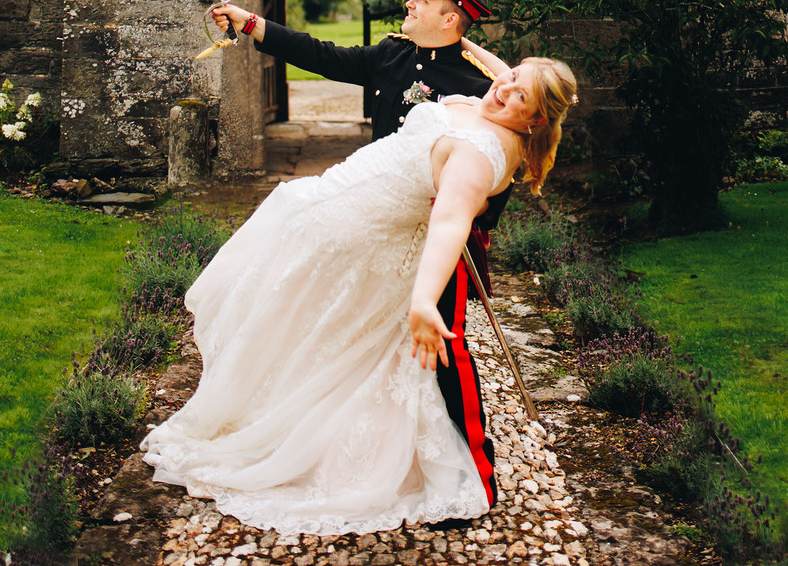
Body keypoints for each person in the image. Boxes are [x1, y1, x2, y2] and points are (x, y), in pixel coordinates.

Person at [142, 53, 578, 536]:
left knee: (331, 343)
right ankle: (272, 412)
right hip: (335, 205)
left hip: (367, 244)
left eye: (519, 94)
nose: (503, 88)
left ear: (536, 117)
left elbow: (451, 221)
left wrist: (423, 300)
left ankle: (312, 444)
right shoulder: (498, 103)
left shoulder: (483, 154)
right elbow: (511, 80)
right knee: (309, 333)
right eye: (510, 76)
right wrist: (512, 71)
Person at [211, 0, 513, 503]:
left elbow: (498, 162)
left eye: (422, 0)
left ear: (452, 17)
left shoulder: (481, 84)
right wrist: (252, 23)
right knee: (361, 335)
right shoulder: (392, 55)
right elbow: (323, 55)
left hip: (437, 235)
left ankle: (477, 471)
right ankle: (369, 455)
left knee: (447, 346)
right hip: (378, 223)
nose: (410, 4)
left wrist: (474, 219)